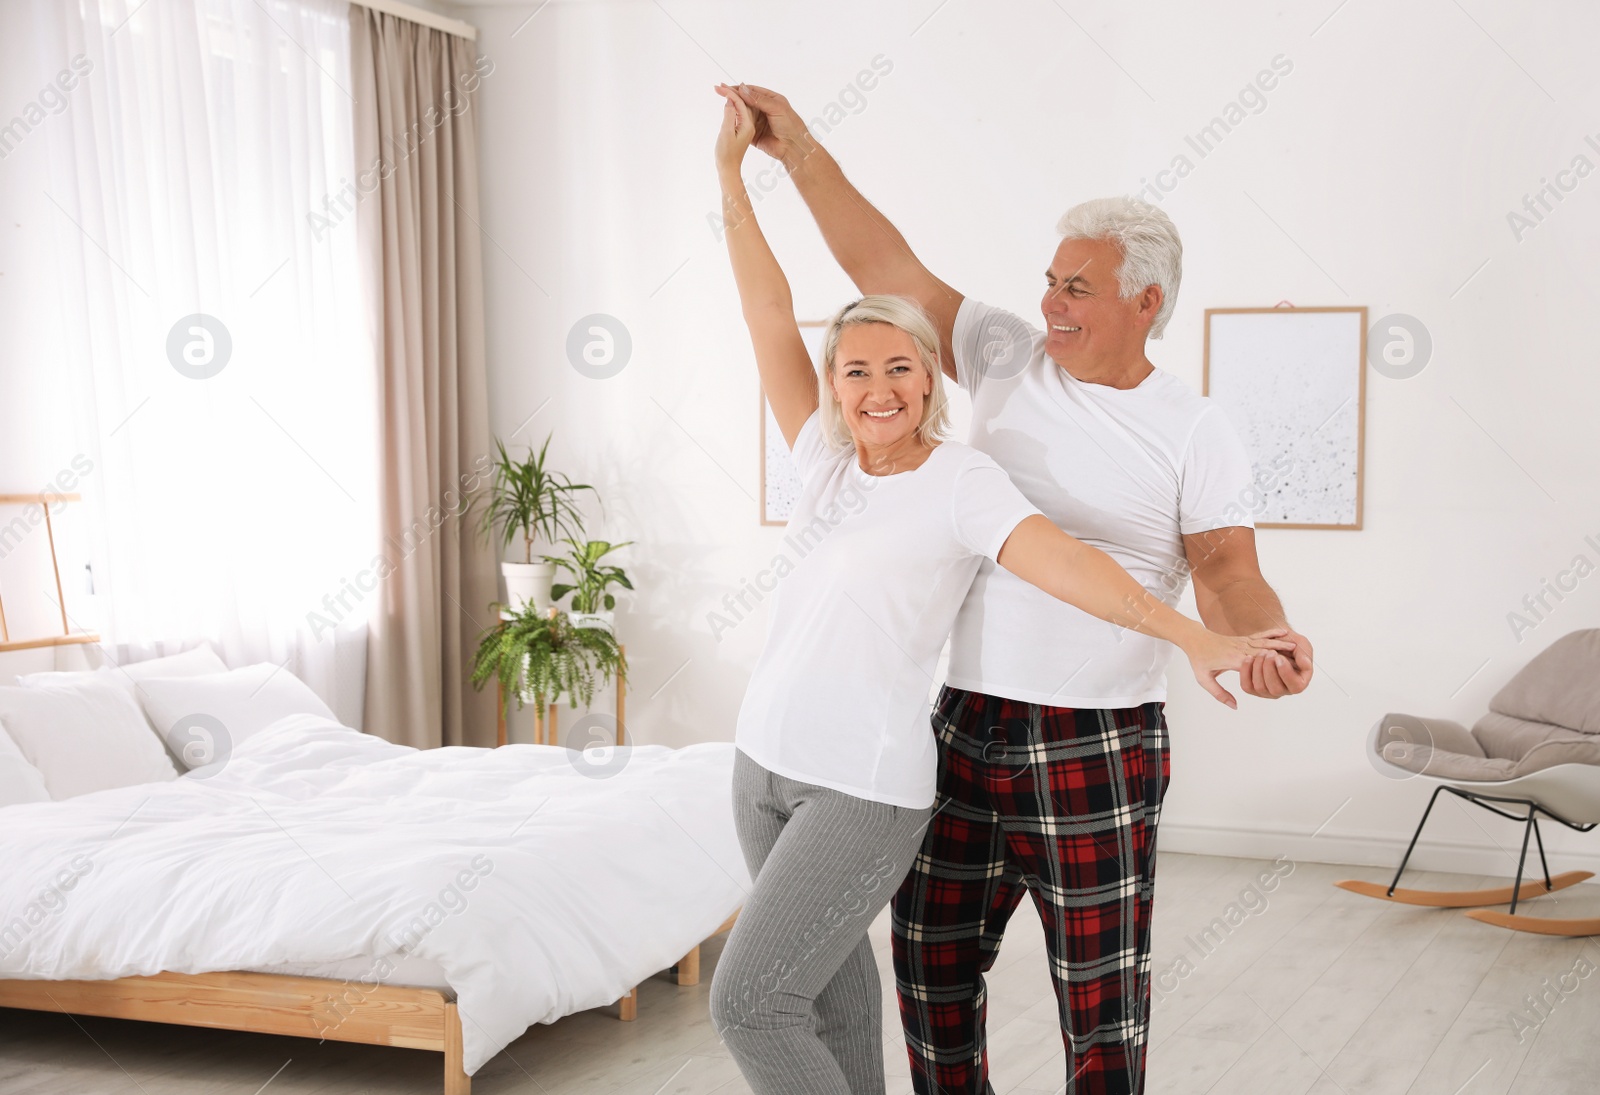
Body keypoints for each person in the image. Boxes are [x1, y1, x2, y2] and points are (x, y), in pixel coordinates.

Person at [706, 84, 1295, 1095]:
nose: (1049, 305)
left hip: (1095, 738)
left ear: (1145, 302)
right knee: (927, 978)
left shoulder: (1188, 429)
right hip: (966, 724)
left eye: (1076, 288)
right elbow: (876, 269)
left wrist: (1245, 636)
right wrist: (790, 152)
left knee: (1098, 1003)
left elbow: (1219, 569)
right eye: (1051, 280)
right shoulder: (1002, 358)